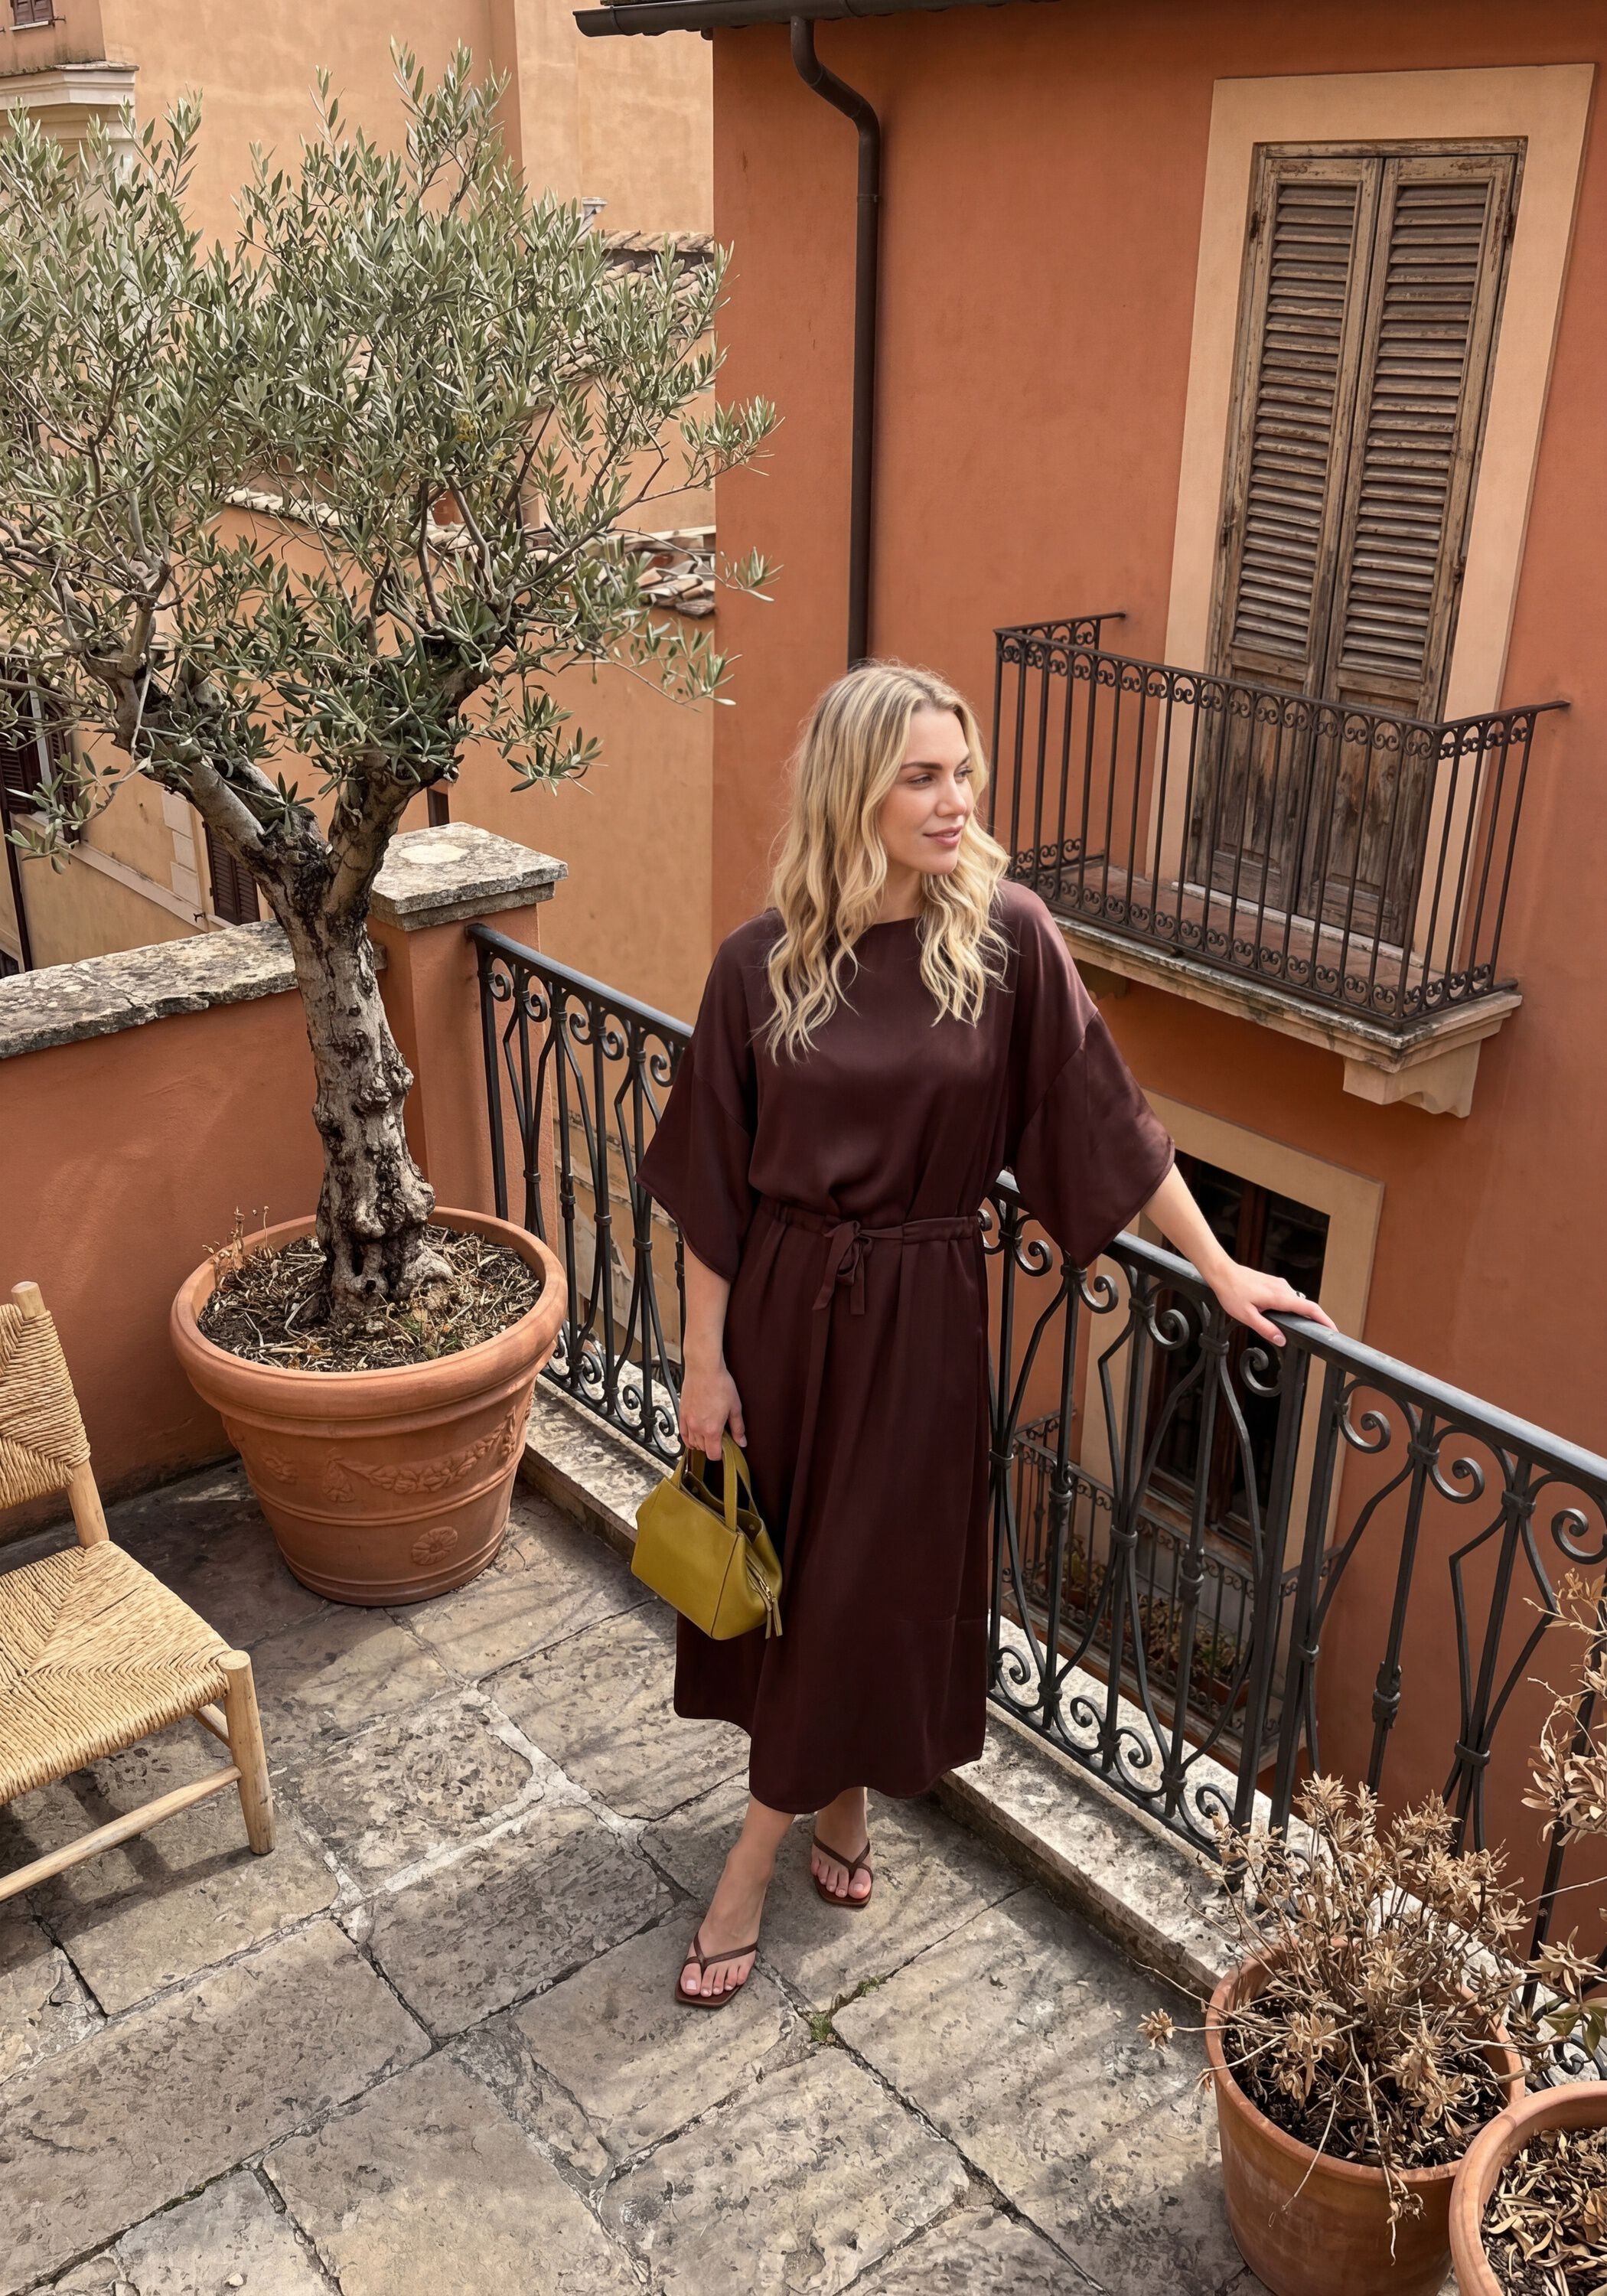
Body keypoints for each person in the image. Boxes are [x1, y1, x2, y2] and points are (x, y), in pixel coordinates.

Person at [637, 660, 1335, 2007]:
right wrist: (705, 1363)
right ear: (855, 791)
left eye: (963, 772)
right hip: (785, 1317)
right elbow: (714, 1189)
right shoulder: (758, 966)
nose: (955, 800)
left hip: (924, 1328)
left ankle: (751, 1859)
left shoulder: (1007, 939)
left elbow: (1105, 1114)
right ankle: (842, 1803)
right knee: (803, 1586)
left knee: (867, 1585)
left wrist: (1217, 1264)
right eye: (922, 777)